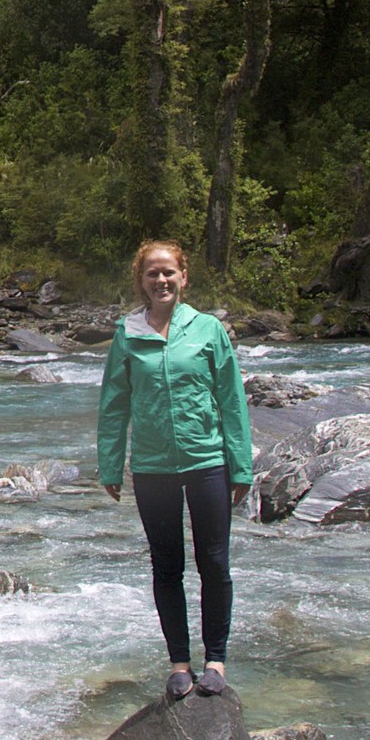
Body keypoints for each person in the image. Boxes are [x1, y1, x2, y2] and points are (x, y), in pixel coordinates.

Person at [95, 239, 253, 700]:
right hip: (152, 466)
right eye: (152, 274)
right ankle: (179, 663)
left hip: (207, 462)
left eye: (169, 272)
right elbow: (114, 401)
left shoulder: (208, 329)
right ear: (140, 281)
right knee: (167, 566)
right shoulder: (128, 333)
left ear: (184, 277)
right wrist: (110, 463)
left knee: (214, 563)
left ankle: (216, 661)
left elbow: (232, 401)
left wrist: (240, 466)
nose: (161, 280)